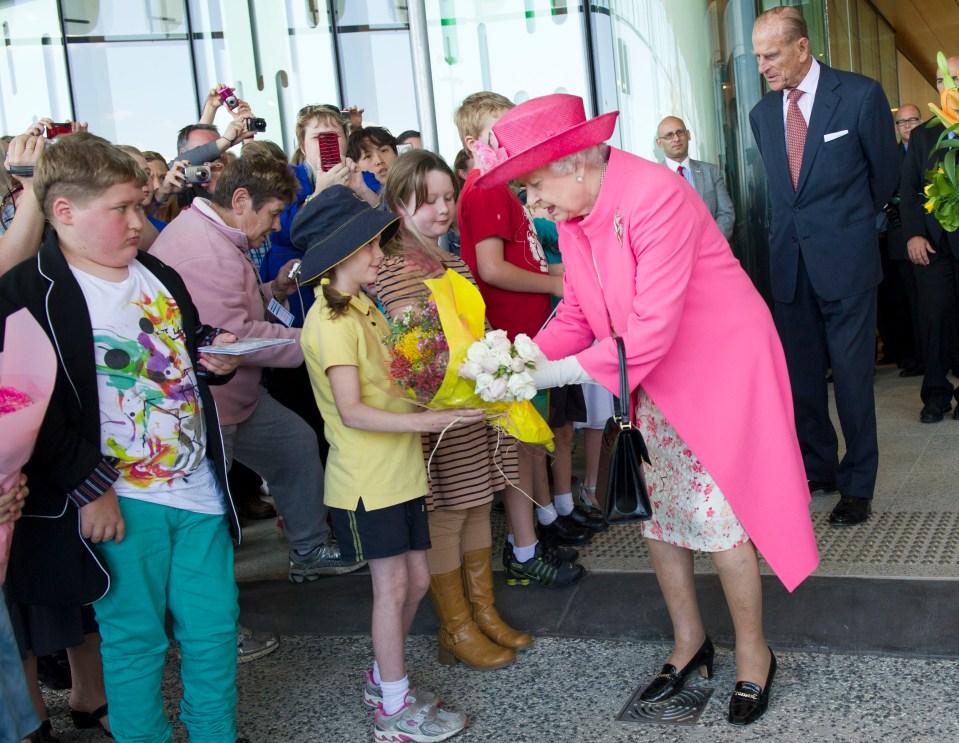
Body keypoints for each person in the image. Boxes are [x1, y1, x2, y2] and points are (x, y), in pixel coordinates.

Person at [476, 92, 818, 726]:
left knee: (718, 517)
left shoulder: (655, 196)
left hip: (717, 368)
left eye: (532, 184)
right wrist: (521, 359)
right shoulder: (577, 215)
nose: (532, 203)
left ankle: (753, 654)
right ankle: (690, 645)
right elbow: (578, 312)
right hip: (647, 376)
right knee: (659, 514)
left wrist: (552, 372)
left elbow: (653, 328)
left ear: (576, 163)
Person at [0, 132, 248, 741]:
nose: (140, 221)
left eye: (141, 205)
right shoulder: (31, 293)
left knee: (215, 627)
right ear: (64, 212)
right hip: (121, 496)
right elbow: (40, 412)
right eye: (122, 209)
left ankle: (214, 731)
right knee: (135, 638)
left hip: (196, 486)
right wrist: (91, 486)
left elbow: (181, 346)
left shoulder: (156, 272)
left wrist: (214, 355)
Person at [293, 185, 476, 742]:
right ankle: (393, 711)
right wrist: (430, 422)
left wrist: (440, 397)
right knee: (392, 588)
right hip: (368, 481)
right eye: (370, 247)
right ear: (339, 255)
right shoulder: (329, 322)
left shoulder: (363, 305)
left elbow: (394, 383)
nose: (380, 255)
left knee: (416, 579)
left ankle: (384, 677)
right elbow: (352, 412)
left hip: (400, 471)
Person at [150, 155, 363, 582]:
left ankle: (308, 548)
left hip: (236, 399)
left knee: (295, 447)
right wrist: (321, 341)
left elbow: (230, 309)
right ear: (242, 199)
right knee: (212, 514)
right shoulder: (204, 250)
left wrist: (274, 289)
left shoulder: (214, 235)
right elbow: (236, 337)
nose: (278, 226)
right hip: (207, 407)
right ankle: (215, 611)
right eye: (274, 213)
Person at [377, 150, 532, 670]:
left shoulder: (453, 260)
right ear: (400, 204)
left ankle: (482, 614)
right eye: (430, 201)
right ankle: (457, 626)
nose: (443, 210)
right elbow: (415, 348)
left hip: (472, 404)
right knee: (448, 514)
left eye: (448, 198)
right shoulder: (396, 266)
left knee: (475, 505)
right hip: (439, 412)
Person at [749, 6, 898, 526]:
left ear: (802, 47)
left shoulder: (859, 95)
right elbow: (782, 195)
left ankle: (858, 484)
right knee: (803, 379)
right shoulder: (762, 114)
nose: (763, 67)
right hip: (790, 265)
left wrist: (850, 227)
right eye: (758, 58)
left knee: (854, 379)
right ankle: (820, 466)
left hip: (847, 264)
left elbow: (885, 177)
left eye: (771, 56)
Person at [454, 91, 587, 588]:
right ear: (474, 142)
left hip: (529, 330)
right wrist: (556, 283)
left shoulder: (506, 188)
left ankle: (543, 526)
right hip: (512, 333)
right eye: (500, 133)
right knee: (522, 444)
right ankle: (526, 544)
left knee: (534, 441)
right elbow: (492, 268)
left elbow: (526, 258)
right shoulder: (486, 189)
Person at [901, 57, 959, 423]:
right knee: (934, 318)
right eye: (940, 80)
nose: (947, 86)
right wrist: (914, 234)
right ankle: (936, 396)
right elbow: (909, 191)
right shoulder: (923, 136)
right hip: (933, 248)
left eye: (954, 78)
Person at [877, 103, 923, 377]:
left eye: (912, 120)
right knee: (903, 300)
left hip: (929, 236)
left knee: (927, 302)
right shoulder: (890, 156)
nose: (907, 126)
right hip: (897, 238)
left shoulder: (932, 149)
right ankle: (911, 356)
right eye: (902, 122)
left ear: (921, 121)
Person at [655, 115, 735, 240]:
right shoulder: (653, 178)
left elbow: (726, 213)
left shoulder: (711, 172)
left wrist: (710, 244)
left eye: (680, 132)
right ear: (659, 143)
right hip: (675, 255)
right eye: (669, 135)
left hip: (712, 252)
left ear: (688, 135)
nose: (676, 138)